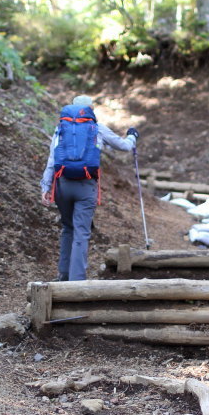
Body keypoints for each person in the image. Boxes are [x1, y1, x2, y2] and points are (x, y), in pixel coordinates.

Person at [40, 94, 139, 281]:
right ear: (91, 110)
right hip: (86, 187)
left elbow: (52, 160)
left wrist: (45, 186)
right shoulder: (98, 128)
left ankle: (63, 275)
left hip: (63, 186)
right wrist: (132, 136)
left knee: (68, 228)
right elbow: (125, 147)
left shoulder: (61, 128)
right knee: (82, 233)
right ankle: (76, 283)